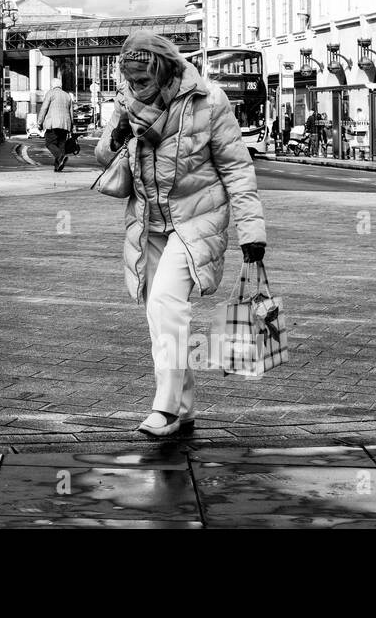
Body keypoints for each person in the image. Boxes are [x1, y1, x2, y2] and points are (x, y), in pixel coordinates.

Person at [95, 31, 267, 438]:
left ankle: (166, 408)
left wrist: (251, 232)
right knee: (159, 315)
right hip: (147, 222)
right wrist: (117, 132)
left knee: (166, 305)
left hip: (196, 219)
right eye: (130, 80)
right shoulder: (126, 102)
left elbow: (237, 170)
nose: (136, 88)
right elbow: (104, 157)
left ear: (164, 69)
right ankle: (184, 406)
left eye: (143, 80)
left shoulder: (208, 101)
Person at [38, 77, 75, 171]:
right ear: (60, 85)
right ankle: (58, 167)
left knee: (49, 143)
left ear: (52, 85)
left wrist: (40, 122)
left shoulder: (50, 93)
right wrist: (71, 126)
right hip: (65, 124)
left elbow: (44, 109)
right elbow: (71, 112)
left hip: (53, 123)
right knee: (61, 145)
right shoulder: (67, 95)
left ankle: (60, 157)